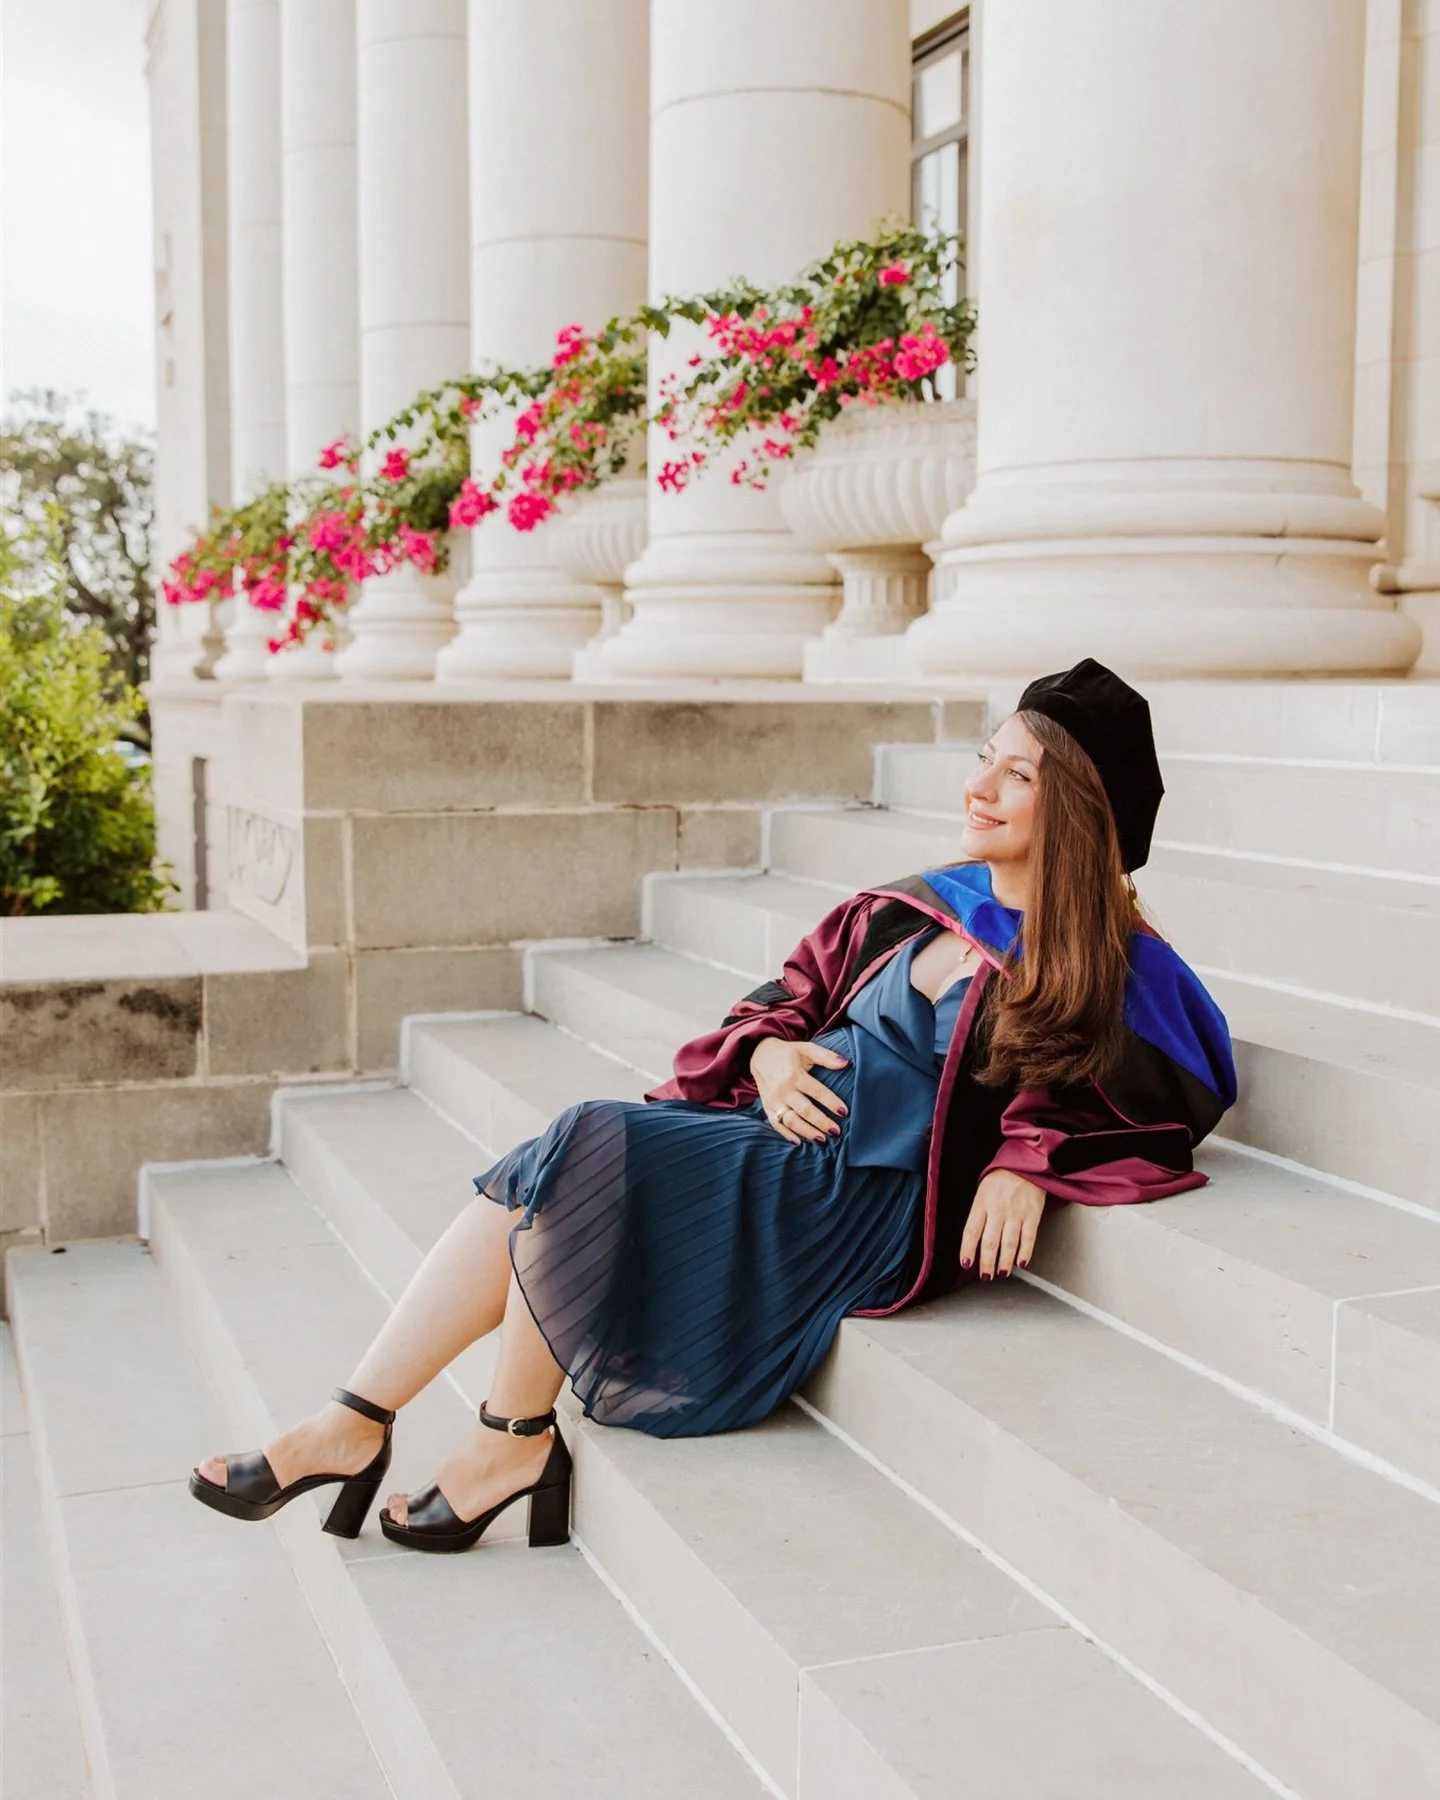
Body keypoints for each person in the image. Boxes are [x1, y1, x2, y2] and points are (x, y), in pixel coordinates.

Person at [190, 659, 1236, 1555]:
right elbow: (778, 1003)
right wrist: (777, 1057)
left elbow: (1162, 1090)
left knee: (586, 1138)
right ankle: (368, 1422)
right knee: (555, 1159)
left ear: (1085, 806)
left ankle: (489, 1437)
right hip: (768, 1139)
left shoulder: (1115, 963)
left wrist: (1024, 1161)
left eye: (1022, 773)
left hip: (851, 1202)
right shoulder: (908, 909)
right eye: (986, 756)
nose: (983, 786)